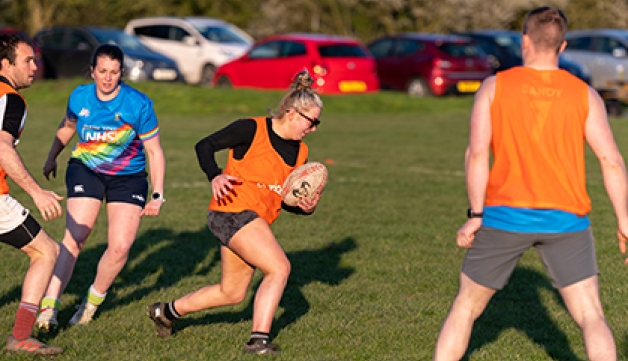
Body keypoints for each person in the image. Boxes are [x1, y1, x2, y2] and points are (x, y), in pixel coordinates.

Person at [432, 6, 626, 361]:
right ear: (562, 47)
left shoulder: (493, 87)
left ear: (524, 41)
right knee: (591, 315)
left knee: (465, 307)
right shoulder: (585, 94)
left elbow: (477, 154)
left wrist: (476, 213)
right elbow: (611, 160)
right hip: (566, 220)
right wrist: (625, 220)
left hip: (505, 216)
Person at [147, 70, 322, 355]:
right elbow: (204, 145)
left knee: (232, 293)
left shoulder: (301, 153)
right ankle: (258, 340)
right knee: (279, 268)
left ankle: (165, 312)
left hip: (253, 221)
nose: (313, 128)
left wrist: (304, 207)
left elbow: (281, 197)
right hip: (231, 213)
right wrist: (214, 175)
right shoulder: (251, 129)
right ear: (292, 114)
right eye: (312, 121)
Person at [34, 44, 166, 330]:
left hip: (128, 177)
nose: (107, 78)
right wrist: (52, 155)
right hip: (86, 168)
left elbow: (154, 151)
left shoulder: (138, 104)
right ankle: (49, 308)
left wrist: (157, 195)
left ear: (122, 73)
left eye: (114, 72)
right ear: (92, 71)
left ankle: (90, 304)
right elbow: (68, 125)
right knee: (76, 236)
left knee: (120, 247)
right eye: (102, 71)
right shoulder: (79, 96)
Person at [0, 34, 64, 355]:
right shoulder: (11, 99)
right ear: (5, 64)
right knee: (46, 252)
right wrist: (37, 192)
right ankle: (21, 337)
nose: (35, 67)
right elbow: (2, 147)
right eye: (27, 60)